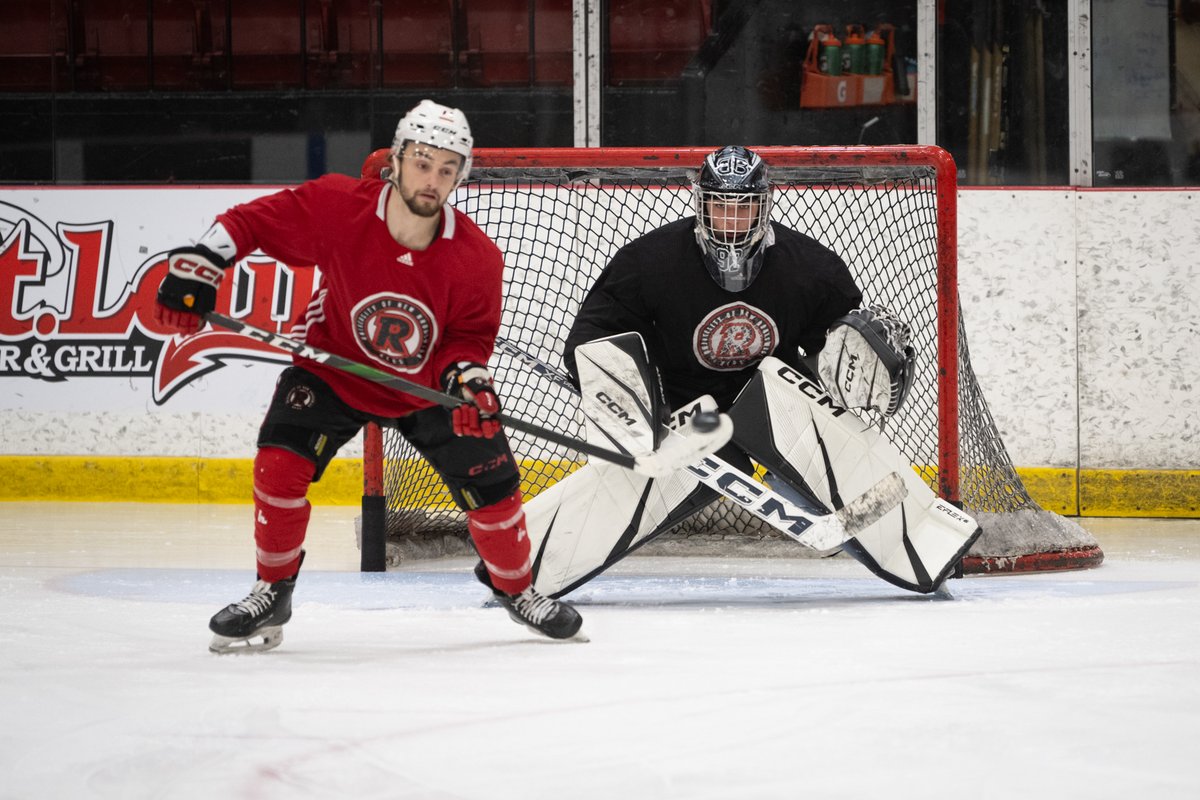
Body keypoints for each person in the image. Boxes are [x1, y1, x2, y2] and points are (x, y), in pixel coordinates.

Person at [155, 99, 583, 653]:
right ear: (398, 159)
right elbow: (248, 223)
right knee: (279, 467)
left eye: (448, 169)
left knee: (496, 493)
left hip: (424, 387)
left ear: (461, 175)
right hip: (333, 370)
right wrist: (199, 267)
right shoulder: (338, 206)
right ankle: (272, 590)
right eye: (424, 163)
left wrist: (469, 382)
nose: (433, 179)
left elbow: (467, 339)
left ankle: (517, 590)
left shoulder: (477, 258)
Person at [514, 145, 977, 598]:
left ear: (765, 206)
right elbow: (594, 335)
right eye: (720, 208)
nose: (731, 222)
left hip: (775, 409)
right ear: (701, 205)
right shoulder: (650, 262)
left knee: (783, 399)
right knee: (655, 472)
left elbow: (834, 351)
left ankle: (920, 535)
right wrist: (630, 405)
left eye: (745, 208)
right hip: (685, 415)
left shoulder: (809, 268)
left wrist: (854, 369)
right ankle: (522, 565)